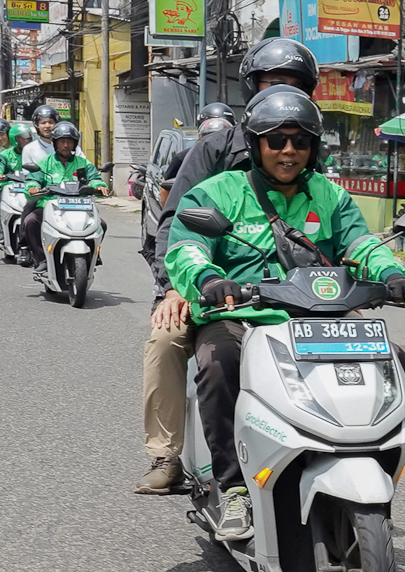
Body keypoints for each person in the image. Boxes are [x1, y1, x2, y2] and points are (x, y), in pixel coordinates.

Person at [164, 88, 405, 540]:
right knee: (218, 363)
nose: (289, 151)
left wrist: (391, 273)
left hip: (319, 318)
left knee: (390, 358)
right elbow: (186, 246)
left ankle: (370, 471)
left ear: (313, 147)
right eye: (277, 140)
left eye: (300, 141)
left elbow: (361, 243)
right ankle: (233, 487)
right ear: (255, 143)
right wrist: (209, 278)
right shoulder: (218, 192)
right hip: (242, 316)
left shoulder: (329, 195)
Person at [135, 36, 319, 495]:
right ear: (252, 88)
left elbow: (330, 225)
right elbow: (177, 222)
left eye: (294, 84)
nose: (289, 149)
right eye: (272, 82)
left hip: (292, 290)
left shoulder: (309, 148)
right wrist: (174, 287)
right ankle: (167, 454)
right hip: (208, 284)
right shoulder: (214, 149)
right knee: (166, 339)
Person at [22, 121, 110, 274]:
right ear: (55, 143)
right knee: (30, 222)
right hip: (51, 207)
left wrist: (99, 186)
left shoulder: (83, 163)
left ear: (74, 144)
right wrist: (33, 187)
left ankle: (93, 254)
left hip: (79, 206)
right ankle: (42, 259)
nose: (65, 145)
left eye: (69, 142)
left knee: (101, 224)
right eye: (62, 141)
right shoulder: (45, 163)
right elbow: (33, 180)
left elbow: (94, 178)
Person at [159, 103, 236, 208]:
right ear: (200, 137)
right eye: (209, 138)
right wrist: (171, 214)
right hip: (194, 212)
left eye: (223, 137)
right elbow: (164, 189)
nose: (216, 145)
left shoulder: (241, 156)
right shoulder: (184, 158)